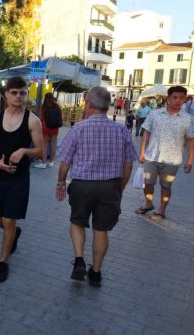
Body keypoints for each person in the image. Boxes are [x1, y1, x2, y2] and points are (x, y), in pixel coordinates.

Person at [56, 87, 137, 288]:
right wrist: (121, 187)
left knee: (77, 222)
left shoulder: (77, 129)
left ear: (88, 104)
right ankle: (96, 273)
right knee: (101, 230)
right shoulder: (122, 131)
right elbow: (128, 165)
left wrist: (60, 183)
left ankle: (79, 260)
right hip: (110, 187)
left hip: (82, 186)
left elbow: (64, 162)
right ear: (108, 106)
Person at [0, 77, 43, 282]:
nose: (19, 96)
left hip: (19, 179)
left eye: (22, 93)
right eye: (14, 93)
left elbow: (40, 152)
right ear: (6, 95)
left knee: (9, 219)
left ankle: (3, 263)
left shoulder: (32, 120)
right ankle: (14, 232)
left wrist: (25, 150)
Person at [135, 86, 194, 220]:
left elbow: (191, 141)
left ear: (185, 99)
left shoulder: (188, 119)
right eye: (175, 97)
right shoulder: (155, 114)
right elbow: (146, 133)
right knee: (148, 183)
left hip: (172, 160)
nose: (178, 100)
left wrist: (190, 161)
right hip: (152, 156)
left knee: (166, 186)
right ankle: (148, 203)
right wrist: (142, 152)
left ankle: (161, 210)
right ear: (168, 98)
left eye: (181, 98)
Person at [34, 93, 62, 169]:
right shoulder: (57, 106)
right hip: (55, 128)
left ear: (45, 98)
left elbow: (40, 118)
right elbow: (61, 117)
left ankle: (43, 163)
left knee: (44, 145)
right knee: (53, 145)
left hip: (45, 127)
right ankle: (51, 162)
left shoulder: (43, 107)